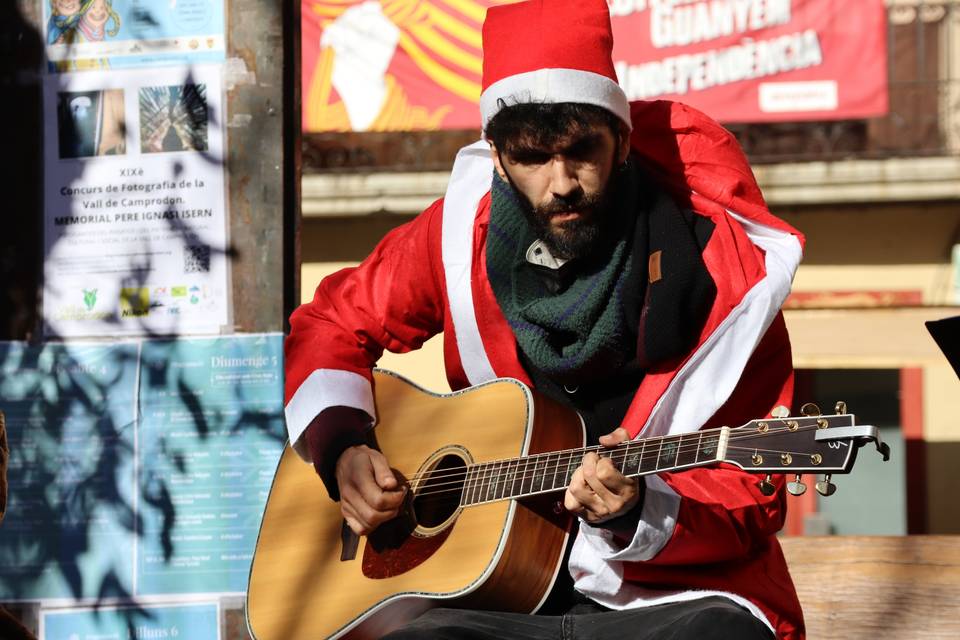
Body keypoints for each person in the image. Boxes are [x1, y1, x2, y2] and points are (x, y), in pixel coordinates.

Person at [284, 0, 806, 638]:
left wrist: (639, 508)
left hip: (672, 599)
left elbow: (754, 493)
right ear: (498, 157)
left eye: (581, 149)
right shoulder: (457, 239)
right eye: (532, 156)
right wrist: (343, 446)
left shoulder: (727, 275)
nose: (561, 183)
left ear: (622, 142)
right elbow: (332, 323)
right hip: (497, 596)